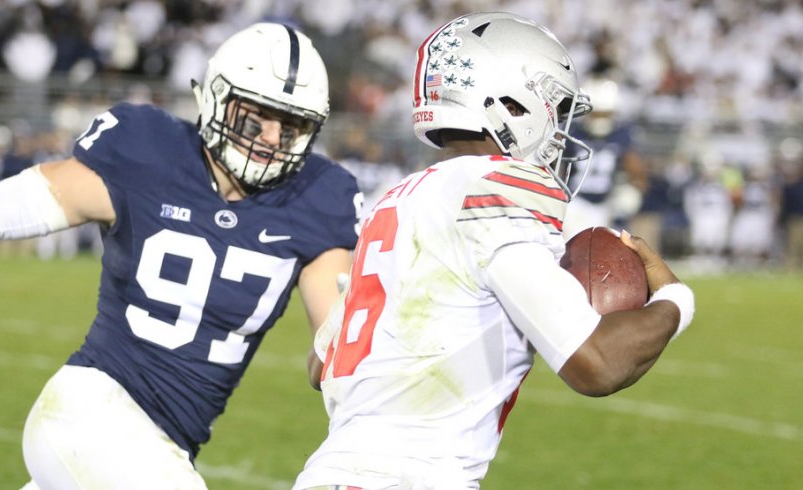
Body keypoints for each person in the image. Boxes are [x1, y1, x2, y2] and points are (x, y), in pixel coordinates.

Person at [0, 22, 361, 489]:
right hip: (90, 409)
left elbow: (329, 360)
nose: (270, 137)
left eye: (291, 125)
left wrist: (344, 340)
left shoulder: (318, 197)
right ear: (219, 98)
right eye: (255, 116)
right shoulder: (149, 147)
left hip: (164, 444)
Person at [295, 12, 695, 490]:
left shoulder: (398, 198)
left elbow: (321, 366)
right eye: (555, 106)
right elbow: (598, 364)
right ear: (509, 104)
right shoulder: (498, 188)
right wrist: (675, 301)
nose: (561, 130)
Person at [561, 75, 647, 241]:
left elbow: (637, 171)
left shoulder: (621, 134)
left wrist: (633, 190)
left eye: (605, 114)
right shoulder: (572, 131)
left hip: (606, 205)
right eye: (596, 113)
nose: (600, 119)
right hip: (575, 203)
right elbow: (557, 168)